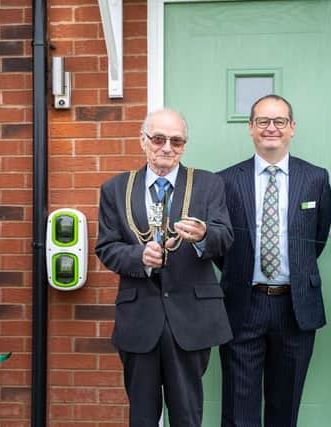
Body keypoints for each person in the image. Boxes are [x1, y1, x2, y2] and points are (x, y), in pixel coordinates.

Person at [95, 108, 233, 426]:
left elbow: (225, 237)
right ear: (143, 141)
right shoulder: (115, 188)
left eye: (176, 141)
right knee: (142, 417)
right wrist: (138, 257)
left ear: (184, 145)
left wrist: (203, 235)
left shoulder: (209, 185)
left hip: (192, 319)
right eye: (158, 139)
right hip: (139, 318)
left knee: (187, 415)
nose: (167, 147)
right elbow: (106, 247)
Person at [217, 94, 331, 427]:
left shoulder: (316, 178)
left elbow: (317, 238)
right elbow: (219, 247)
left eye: (279, 121)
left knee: (285, 409)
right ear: (251, 128)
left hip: (295, 307)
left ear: (292, 128)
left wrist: (294, 273)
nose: (272, 128)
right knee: (239, 409)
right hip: (243, 304)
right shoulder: (226, 180)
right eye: (263, 121)